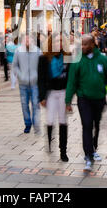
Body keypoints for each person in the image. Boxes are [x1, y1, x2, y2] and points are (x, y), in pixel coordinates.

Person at [65, 34, 107, 171]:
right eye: (81, 44)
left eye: (85, 44)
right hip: (84, 99)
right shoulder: (77, 61)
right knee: (87, 125)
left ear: (93, 45)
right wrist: (68, 101)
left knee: (96, 125)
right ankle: (88, 154)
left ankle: (93, 148)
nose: (82, 47)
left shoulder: (103, 60)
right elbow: (71, 82)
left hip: (99, 98)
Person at [38, 33, 70, 162]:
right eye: (57, 41)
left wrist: (70, 96)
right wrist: (42, 97)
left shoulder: (68, 57)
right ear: (51, 43)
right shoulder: (44, 58)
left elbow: (71, 77)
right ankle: (50, 143)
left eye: (61, 41)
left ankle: (63, 151)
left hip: (63, 92)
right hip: (50, 93)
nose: (59, 44)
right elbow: (40, 79)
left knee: (63, 121)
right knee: (50, 120)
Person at [13, 34, 42, 134]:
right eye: (25, 40)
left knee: (35, 104)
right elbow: (15, 66)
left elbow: (42, 66)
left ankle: (36, 124)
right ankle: (27, 124)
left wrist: (38, 77)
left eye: (29, 39)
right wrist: (20, 76)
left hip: (35, 83)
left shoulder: (38, 51)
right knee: (24, 105)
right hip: (23, 84)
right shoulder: (18, 51)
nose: (27, 41)